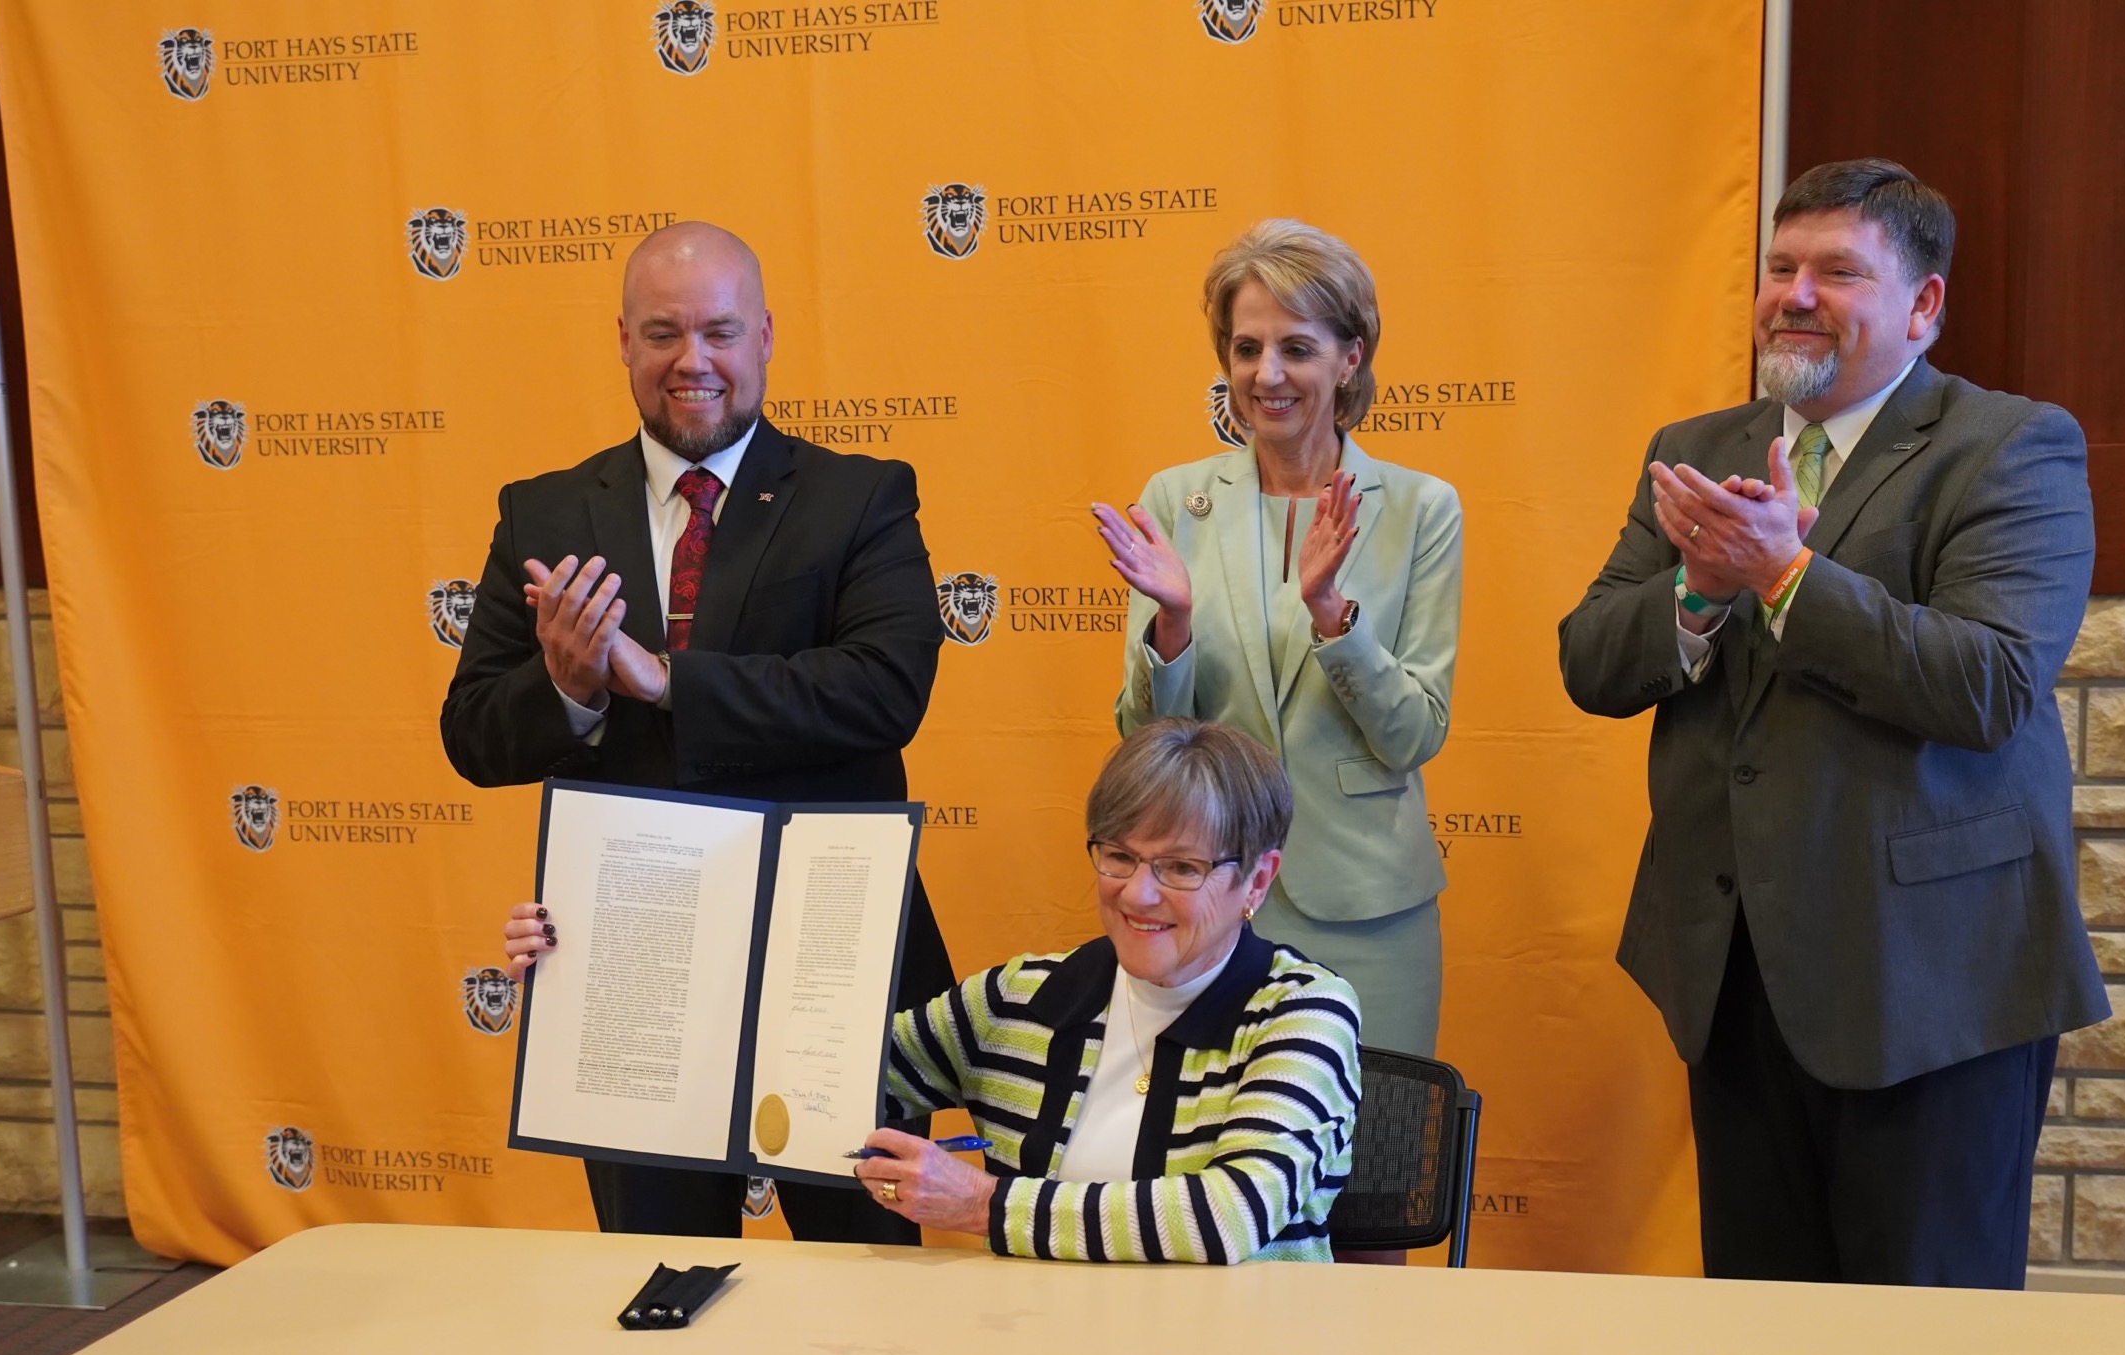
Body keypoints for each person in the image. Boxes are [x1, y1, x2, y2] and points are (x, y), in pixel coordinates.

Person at [1556, 158, 2107, 1289]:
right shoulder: (1694, 448)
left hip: (1930, 985)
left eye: (1836, 272)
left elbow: (1987, 684)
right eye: (1778, 267)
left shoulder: (2010, 446)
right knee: (1765, 1347)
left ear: (1922, 306)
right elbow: (1590, 663)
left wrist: (1785, 575)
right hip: (1731, 970)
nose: (1792, 295)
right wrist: (1699, 592)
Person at [444, 221, 955, 1246]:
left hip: (828, 956)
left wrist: (662, 678)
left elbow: (882, 692)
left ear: (763, 336)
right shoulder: (541, 514)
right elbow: (473, 737)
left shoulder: (861, 498)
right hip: (627, 958)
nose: (693, 361)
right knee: (654, 1278)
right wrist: (571, 688)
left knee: (866, 1294)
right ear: (622, 341)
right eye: (663, 332)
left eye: (719, 331)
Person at [506, 721, 1362, 1262]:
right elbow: (802, 1074)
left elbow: (1228, 1216)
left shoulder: (1303, 1013)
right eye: (1119, 856)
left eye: (1179, 867)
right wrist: (587, 967)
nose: (1137, 893)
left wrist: (984, 1206)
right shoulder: (1026, 997)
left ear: (1257, 881)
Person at [1097, 219, 1460, 1057]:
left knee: (1367, 1170)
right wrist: (1174, 625)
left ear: (1351, 358)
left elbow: (1414, 733)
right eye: (1245, 347)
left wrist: (1334, 616)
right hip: (1198, 900)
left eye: (1296, 348)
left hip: (1366, 907)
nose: (1266, 374)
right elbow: (1141, 740)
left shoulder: (1420, 508)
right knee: (1208, 1170)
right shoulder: (1176, 497)